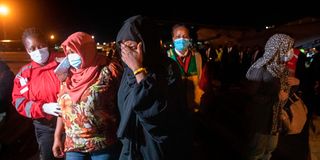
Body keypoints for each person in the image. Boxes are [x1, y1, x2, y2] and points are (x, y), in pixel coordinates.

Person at [116, 15, 191, 160]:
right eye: (123, 48)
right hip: (130, 148)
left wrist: (139, 71)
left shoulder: (167, 68)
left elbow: (158, 113)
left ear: (146, 44)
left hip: (157, 148)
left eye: (131, 47)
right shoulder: (127, 72)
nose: (127, 55)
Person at [52, 32, 122, 160]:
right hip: (73, 145)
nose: (71, 56)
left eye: (75, 51)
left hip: (102, 144)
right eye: (69, 52)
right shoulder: (66, 75)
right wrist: (57, 137)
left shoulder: (108, 70)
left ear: (87, 49)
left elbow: (124, 101)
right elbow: (63, 109)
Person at [245, 33, 300, 160]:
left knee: (269, 150)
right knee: (256, 151)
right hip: (262, 118)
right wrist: (275, 97)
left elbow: (287, 92)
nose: (290, 52)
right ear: (277, 48)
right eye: (287, 48)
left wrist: (297, 84)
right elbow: (251, 95)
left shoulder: (283, 69)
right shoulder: (260, 67)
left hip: (276, 120)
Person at [11, 27, 64, 160]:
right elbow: (18, 102)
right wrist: (43, 108)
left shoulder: (63, 62)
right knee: (47, 156)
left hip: (69, 124)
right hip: (43, 127)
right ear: (27, 50)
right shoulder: (23, 74)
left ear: (47, 44)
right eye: (32, 48)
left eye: (41, 46)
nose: (38, 51)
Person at [166, 24, 203, 112]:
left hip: (193, 105)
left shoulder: (197, 56)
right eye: (178, 36)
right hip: (173, 106)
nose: (181, 39)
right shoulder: (166, 57)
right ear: (173, 39)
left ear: (189, 39)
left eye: (185, 36)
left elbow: (200, 79)